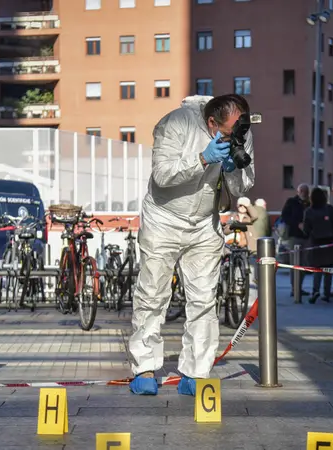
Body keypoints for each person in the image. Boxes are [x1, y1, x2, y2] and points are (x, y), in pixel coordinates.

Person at [127, 94, 255, 396]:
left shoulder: (242, 131)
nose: (235, 138)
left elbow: (243, 184)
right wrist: (201, 159)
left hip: (204, 222)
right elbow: (161, 176)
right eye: (226, 134)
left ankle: (197, 371)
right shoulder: (175, 124)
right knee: (152, 294)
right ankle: (144, 367)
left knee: (204, 299)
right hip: (164, 217)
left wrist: (231, 170)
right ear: (212, 123)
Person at [300, 187, 333, 303]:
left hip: (315, 243)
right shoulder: (329, 209)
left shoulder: (309, 211)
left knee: (317, 269)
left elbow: (306, 230)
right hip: (329, 243)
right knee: (328, 270)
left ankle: (315, 290)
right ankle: (326, 293)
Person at [281, 183, 311, 298]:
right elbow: (285, 216)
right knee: (295, 264)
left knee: (303, 264)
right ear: (298, 192)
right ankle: (294, 288)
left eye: (306, 191)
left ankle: (300, 287)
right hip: (294, 236)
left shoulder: (309, 203)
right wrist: (296, 224)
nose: (304, 193)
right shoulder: (292, 202)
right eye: (302, 191)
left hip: (306, 237)